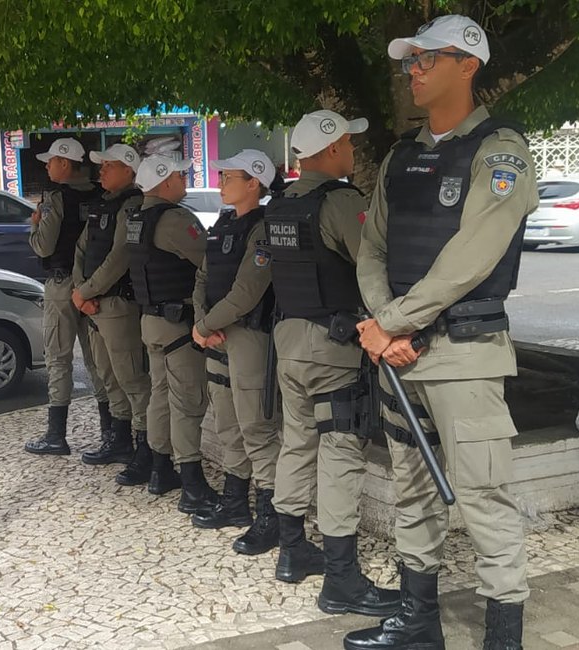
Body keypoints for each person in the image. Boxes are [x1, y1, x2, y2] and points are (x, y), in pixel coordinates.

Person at [346, 15, 536, 650]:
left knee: (484, 496)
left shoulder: (500, 151)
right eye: (411, 60)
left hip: (464, 355)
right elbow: (373, 250)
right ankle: (418, 621)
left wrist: (390, 323)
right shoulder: (400, 156)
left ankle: (502, 636)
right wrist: (384, 327)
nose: (415, 70)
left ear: (468, 65)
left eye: (429, 58)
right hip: (399, 356)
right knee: (413, 491)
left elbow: (471, 257)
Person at [264, 110, 402, 618]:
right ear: (329, 149)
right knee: (341, 451)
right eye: (347, 143)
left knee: (297, 442)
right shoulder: (341, 202)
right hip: (333, 348)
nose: (352, 150)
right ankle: (342, 580)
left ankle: (291, 550)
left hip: (289, 343)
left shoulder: (280, 205)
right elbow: (372, 264)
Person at [187, 149, 279, 553]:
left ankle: (271, 517)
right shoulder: (224, 224)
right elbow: (203, 277)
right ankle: (235, 501)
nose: (221, 183)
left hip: (247, 337)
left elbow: (247, 292)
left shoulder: (264, 229)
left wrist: (206, 326)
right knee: (227, 421)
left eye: (229, 177)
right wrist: (202, 322)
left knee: (256, 427)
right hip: (217, 335)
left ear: (254, 183)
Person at [124, 153, 218, 513]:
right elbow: (210, 259)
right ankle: (192, 486)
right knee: (187, 402)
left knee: (160, 396)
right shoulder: (175, 220)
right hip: (178, 323)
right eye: (180, 176)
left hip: (151, 321)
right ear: (165, 182)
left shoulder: (137, 218)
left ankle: (160, 469)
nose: (184, 181)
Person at [23, 138, 109, 456]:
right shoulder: (100, 194)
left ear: (64, 163)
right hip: (95, 286)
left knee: (58, 358)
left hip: (62, 286)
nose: (47, 167)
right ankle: (111, 433)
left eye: (51, 161)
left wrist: (34, 228)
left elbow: (44, 246)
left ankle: (56, 435)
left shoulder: (55, 198)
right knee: (97, 360)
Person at [71, 144, 153, 470]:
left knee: (131, 378)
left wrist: (85, 291)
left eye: (109, 166)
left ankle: (146, 449)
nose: (101, 171)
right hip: (95, 305)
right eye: (101, 165)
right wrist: (81, 290)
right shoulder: (104, 204)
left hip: (117, 304)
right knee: (108, 376)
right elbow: (81, 249)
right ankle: (119, 442)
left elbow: (120, 256)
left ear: (129, 170)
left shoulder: (132, 205)